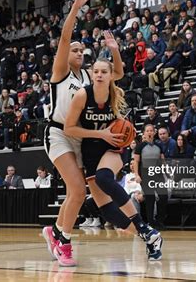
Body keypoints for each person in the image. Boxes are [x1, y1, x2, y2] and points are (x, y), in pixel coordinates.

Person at [42, 0, 124, 267]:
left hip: (81, 136)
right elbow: (64, 38)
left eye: (81, 50)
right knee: (78, 190)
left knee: (75, 193)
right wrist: (76, 7)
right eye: (73, 49)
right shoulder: (61, 72)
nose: (77, 52)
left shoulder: (91, 79)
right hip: (57, 133)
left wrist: (113, 50)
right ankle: (63, 241)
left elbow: (119, 74)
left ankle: (54, 230)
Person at [64, 60, 163, 261]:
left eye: (103, 71)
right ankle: (150, 238)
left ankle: (143, 227)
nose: (99, 75)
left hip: (114, 146)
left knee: (103, 178)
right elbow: (69, 128)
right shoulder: (83, 95)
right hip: (91, 149)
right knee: (108, 212)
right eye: (96, 71)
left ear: (111, 75)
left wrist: (115, 50)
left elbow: (122, 124)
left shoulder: (115, 94)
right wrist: (100, 134)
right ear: (91, 74)